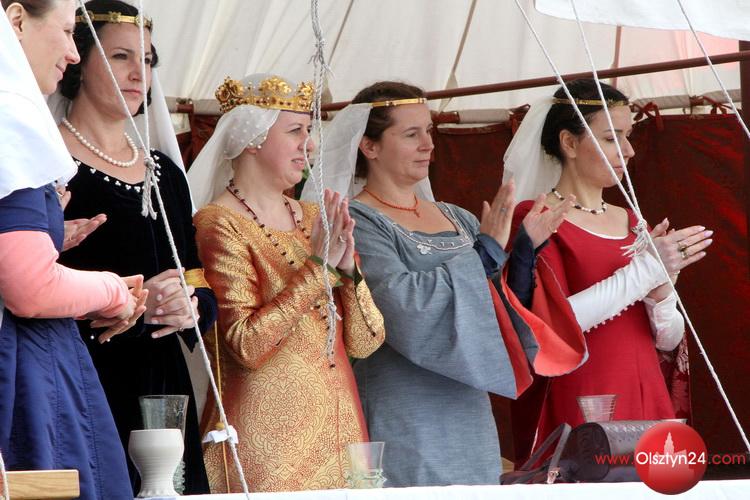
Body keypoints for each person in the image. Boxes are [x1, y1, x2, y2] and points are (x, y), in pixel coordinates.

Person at [301, 80, 582, 487]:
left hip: (469, 412)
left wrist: (523, 249)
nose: (428, 144)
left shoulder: (459, 217)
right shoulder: (358, 221)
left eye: (429, 130)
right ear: (370, 146)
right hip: (404, 411)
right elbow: (402, 308)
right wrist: (484, 253)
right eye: (410, 134)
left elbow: (500, 312)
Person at [187, 73, 386, 492]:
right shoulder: (219, 223)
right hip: (265, 445)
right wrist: (318, 268)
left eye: (308, 132)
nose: (308, 145)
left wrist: (348, 273)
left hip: (340, 432)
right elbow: (247, 346)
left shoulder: (315, 217)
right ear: (253, 138)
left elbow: (366, 341)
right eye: (295, 131)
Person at [53, 0, 217, 494]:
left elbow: (197, 279)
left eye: (146, 59)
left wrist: (190, 306)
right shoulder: (50, 162)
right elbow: (26, 279)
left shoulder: (165, 174)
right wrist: (127, 300)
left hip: (162, 385)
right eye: (121, 56)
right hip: (82, 373)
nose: (138, 73)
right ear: (79, 61)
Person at [503, 78, 711, 452]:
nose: (629, 151)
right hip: (586, 395)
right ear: (569, 143)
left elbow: (667, 339)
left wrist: (661, 292)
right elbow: (553, 327)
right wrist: (646, 271)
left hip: (646, 391)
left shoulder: (632, 221)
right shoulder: (536, 218)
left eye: (628, 136)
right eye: (612, 138)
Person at [0, 1, 146, 498]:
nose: (73, 52)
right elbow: (31, 289)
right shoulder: (9, 115)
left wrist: (48, 236)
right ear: (16, 21)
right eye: (65, 31)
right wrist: (114, 291)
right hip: (24, 380)